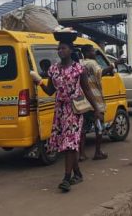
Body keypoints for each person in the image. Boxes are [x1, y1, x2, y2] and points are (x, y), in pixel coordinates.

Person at [34, 40, 99, 193]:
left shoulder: (78, 69)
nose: (60, 51)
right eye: (59, 48)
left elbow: (87, 90)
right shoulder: (53, 69)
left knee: (70, 143)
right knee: (65, 144)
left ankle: (66, 178)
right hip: (60, 111)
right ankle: (77, 173)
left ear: (70, 50)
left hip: (74, 111)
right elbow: (50, 91)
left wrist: (96, 108)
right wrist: (38, 82)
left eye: (63, 48)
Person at [79, 44, 114, 161]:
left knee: (83, 129)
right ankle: (98, 152)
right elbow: (101, 73)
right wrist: (114, 64)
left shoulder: (80, 63)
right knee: (99, 127)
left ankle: (81, 154)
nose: (94, 53)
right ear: (88, 52)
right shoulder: (92, 63)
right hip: (95, 100)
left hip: (83, 101)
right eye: (93, 51)